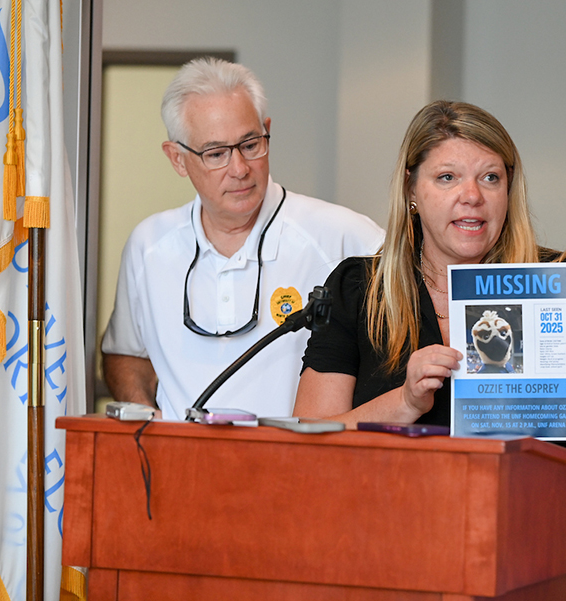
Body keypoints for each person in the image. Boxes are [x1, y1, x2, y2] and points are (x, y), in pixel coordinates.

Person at [295, 100, 566, 599]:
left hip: (530, 566)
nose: (472, 197)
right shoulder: (360, 289)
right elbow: (308, 451)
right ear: (411, 190)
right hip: (388, 561)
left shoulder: (562, 285)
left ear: (509, 190)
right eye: (447, 178)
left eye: (490, 178)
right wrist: (405, 402)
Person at [101, 58, 384, 420]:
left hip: (294, 454)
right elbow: (125, 353)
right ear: (177, 159)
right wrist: (148, 420)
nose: (239, 169)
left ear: (268, 131)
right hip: (181, 455)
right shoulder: (149, 246)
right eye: (216, 153)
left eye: (250, 145)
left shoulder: (342, 235)